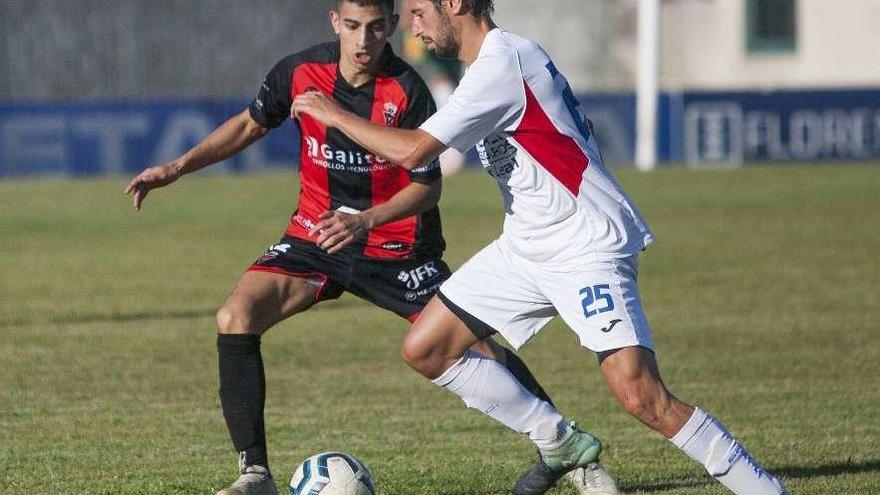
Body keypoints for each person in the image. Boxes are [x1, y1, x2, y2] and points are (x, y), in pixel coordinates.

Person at [292, 0, 791, 494]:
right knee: (427, 347)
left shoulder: (502, 63)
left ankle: (764, 490)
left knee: (643, 397)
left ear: (455, 4)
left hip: (584, 244)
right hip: (527, 244)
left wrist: (331, 112)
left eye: (420, 12)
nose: (414, 27)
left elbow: (414, 150)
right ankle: (558, 440)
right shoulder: (490, 66)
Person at [123, 1, 610, 495]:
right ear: (335, 22)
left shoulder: (408, 90)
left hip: (398, 247)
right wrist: (176, 167)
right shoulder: (299, 73)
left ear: (391, 27)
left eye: (376, 28)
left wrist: (366, 221)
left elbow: (428, 188)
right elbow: (251, 123)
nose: (363, 41)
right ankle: (255, 475)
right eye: (353, 27)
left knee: (478, 346)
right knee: (236, 315)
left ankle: (570, 454)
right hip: (316, 237)